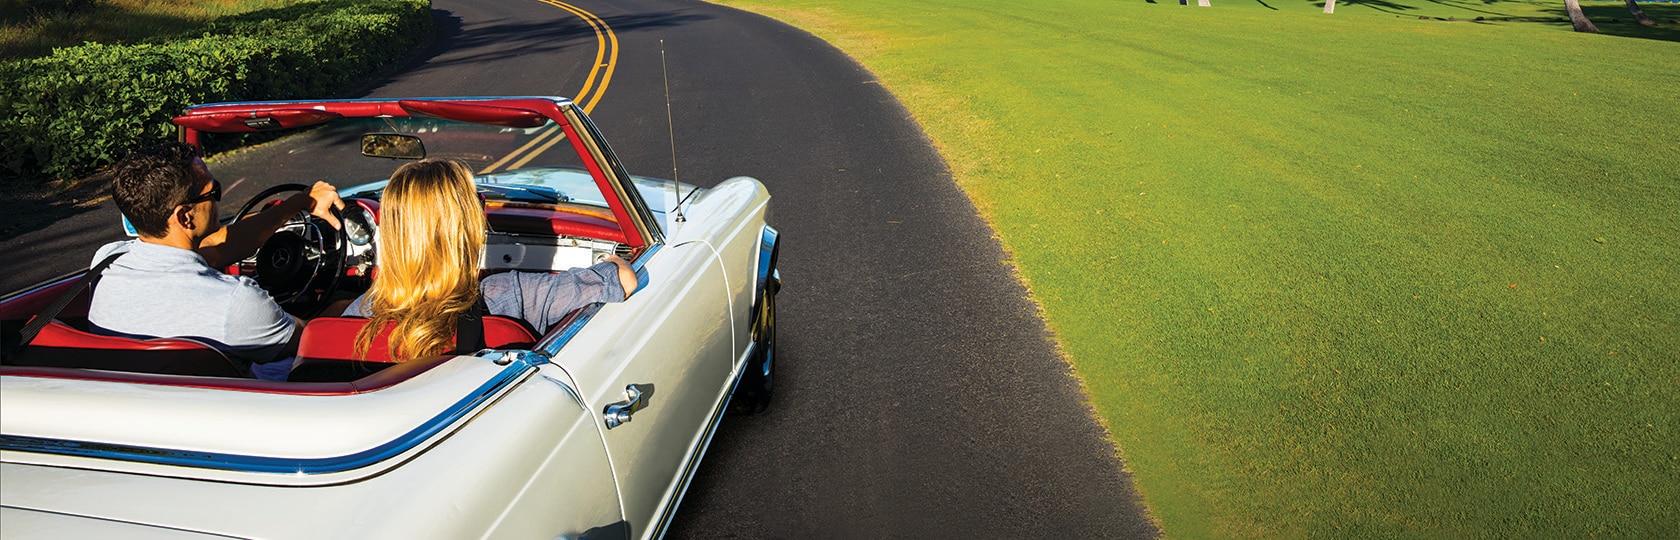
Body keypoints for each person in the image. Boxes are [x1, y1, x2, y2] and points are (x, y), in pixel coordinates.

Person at [88, 142, 344, 380]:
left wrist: (297, 204)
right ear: (185, 217)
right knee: (349, 309)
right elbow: (314, 339)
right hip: (258, 405)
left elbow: (212, 249)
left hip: (147, 402)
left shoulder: (107, 262)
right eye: (214, 191)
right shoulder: (236, 302)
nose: (218, 199)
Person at [343, 158, 637, 362]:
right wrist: (614, 258)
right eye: (478, 204)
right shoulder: (510, 294)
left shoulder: (356, 316)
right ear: (466, 226)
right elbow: (622, 279)